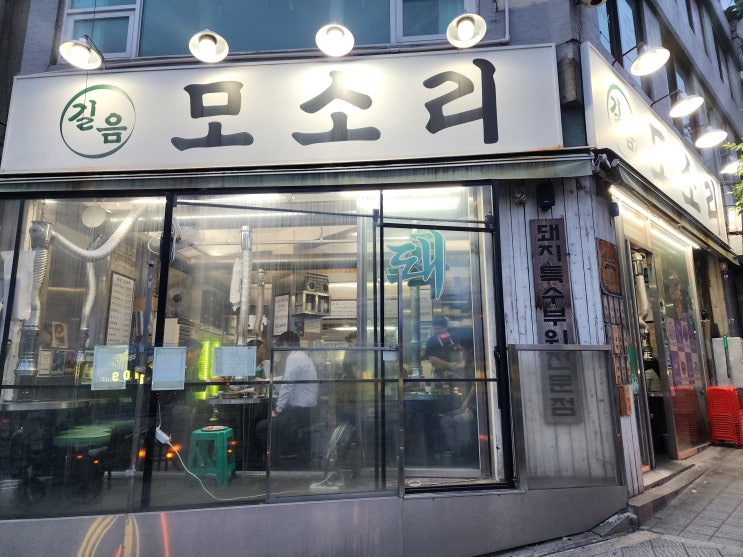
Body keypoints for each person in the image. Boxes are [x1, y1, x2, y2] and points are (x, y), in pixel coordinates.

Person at [255, 331, 318, 466]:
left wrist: (278, 410)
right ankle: (279, 460)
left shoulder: (293, 358)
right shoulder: (303, 357)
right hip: (306, 411)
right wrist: (266, 380)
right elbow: (286, 379)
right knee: (270, 424)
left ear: (285, 345)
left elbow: (287, 385)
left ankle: (275, 464)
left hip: (298, 413)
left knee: (261, 428)